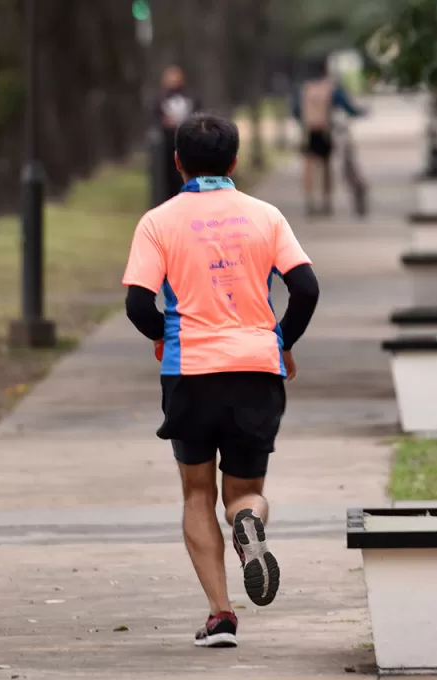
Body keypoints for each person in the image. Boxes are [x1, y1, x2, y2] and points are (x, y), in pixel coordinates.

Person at [121, 113, 321, 648]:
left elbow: (138, 303)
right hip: (256, 368)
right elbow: (306, 288)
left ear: (177, 162)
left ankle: (221, 616)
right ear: (234, 161)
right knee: (245, 492)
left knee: (196, 492)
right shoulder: (266, 216)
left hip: (190, 372)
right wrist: (282, 341)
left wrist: (165, 335)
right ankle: (248, 522)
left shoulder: (158, 222)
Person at [291, 58, 363, 216]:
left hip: (309, 132)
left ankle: (310, 202)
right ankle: (326, 203)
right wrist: (358, 112)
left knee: (309, 168)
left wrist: (303, 122)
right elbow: (347, 106)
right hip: (325, 132)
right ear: (325, 71)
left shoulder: (303, 88)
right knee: (326, 167)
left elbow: (295, 110)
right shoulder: (330, 88)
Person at [156, 66, 201, 200]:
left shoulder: (190, 96)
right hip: (168, 142)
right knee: (170, 173)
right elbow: (154, 117)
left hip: (188, 139)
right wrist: (164, 123)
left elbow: (199, 112)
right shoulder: (159, 98)